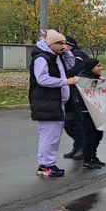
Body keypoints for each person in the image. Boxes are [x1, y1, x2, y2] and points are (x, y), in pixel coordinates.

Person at [28, 30, 77, 177]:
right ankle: (45, 165)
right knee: (49, 135)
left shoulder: (56, 56)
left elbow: (71, 65)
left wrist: (66, 52)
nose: (64, 46)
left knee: (54, 135)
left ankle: (49, 163)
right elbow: (42, 79)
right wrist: (64, 82)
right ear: (51, 44)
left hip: (56, 102)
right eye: (60, 43)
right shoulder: (42, 58)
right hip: (46, 102)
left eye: (65, 43)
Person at [73, 57, 106, 170]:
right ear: (90, 67)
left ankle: (94, 156)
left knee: (98, 135)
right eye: (98, 66)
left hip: (97, 111)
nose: (101, 68)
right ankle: (88, 159)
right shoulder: (82, 78)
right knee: (90, 136)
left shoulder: (96, 78)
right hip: (87, 112)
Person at [60, 36, 90, 160]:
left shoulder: (78, 55)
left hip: (78, 92)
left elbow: (73, 70)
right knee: (70, 121)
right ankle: (77, 147)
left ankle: (83, 148)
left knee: (74, 121)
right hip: (71, 92)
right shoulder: (66, 55)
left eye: (63, 44)